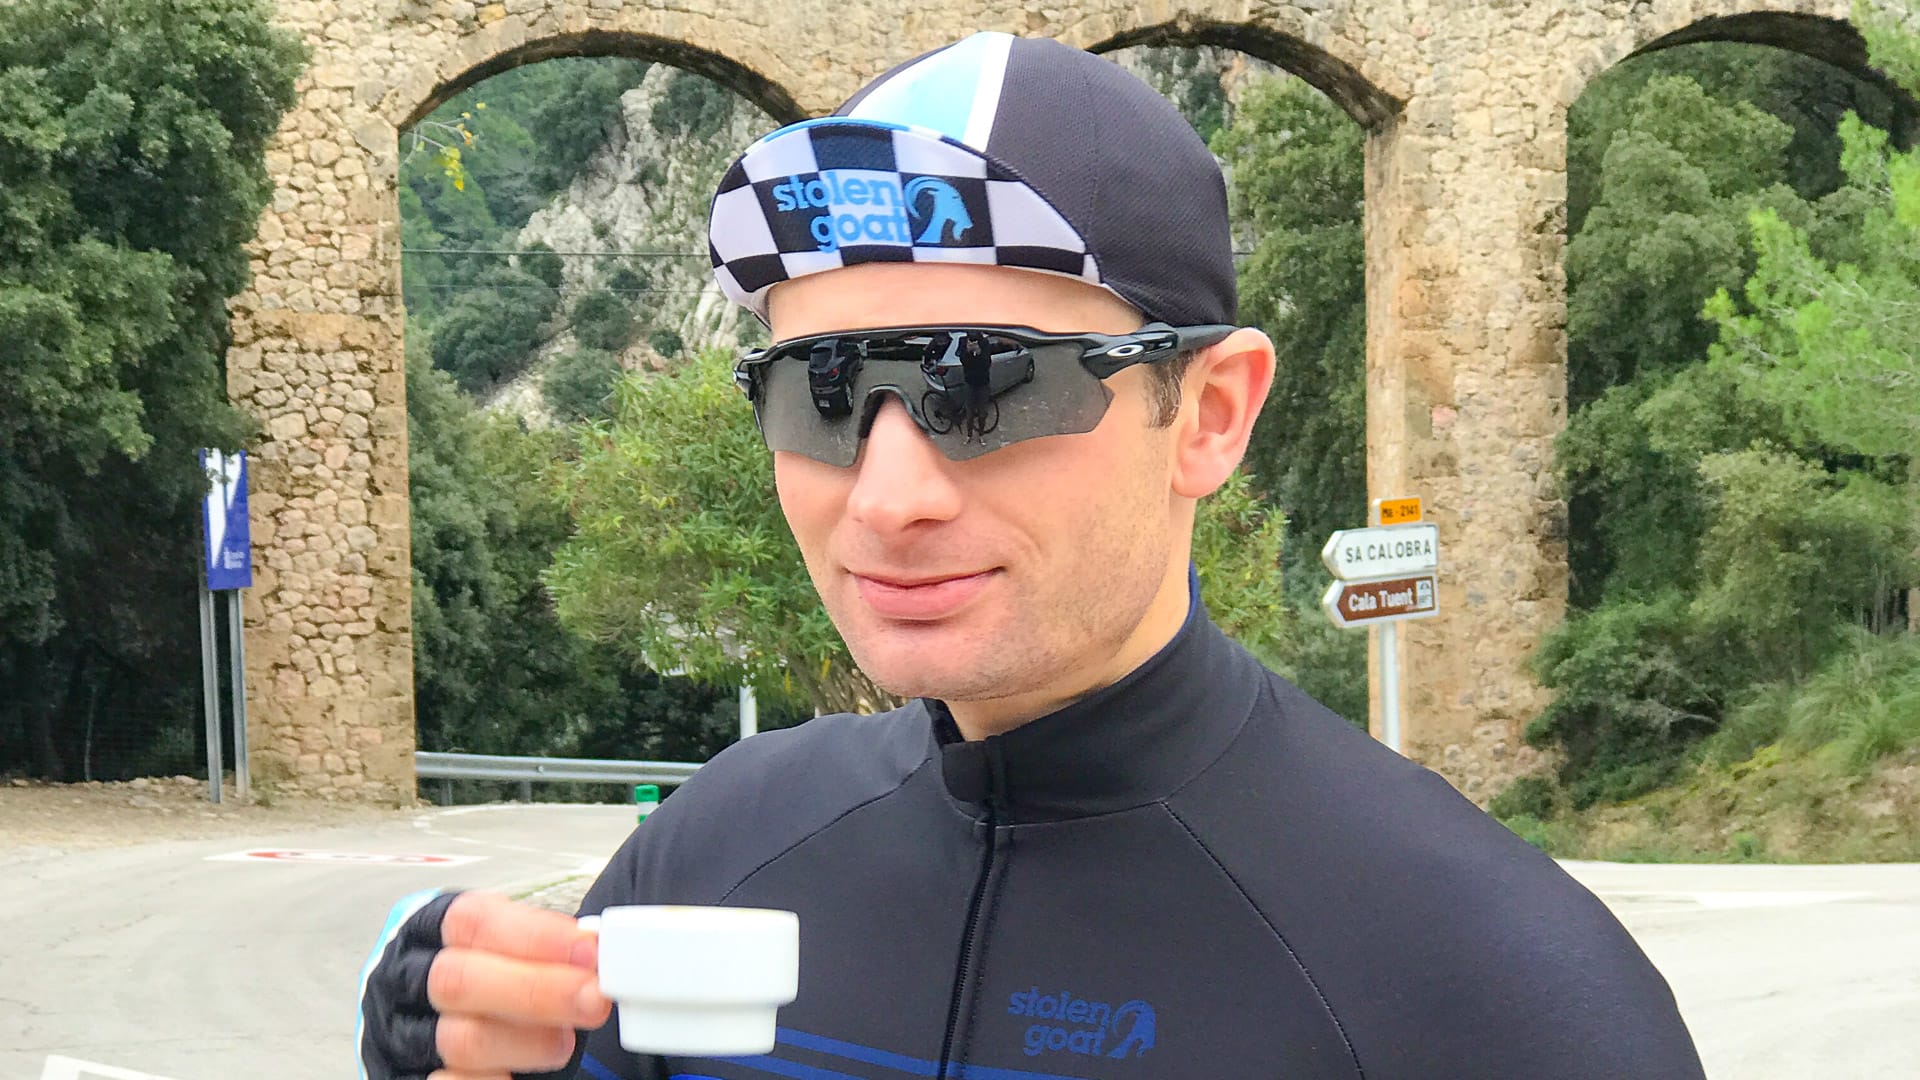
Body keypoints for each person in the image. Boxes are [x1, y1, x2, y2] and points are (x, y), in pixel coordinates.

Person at [357, 31, 1706, 1080]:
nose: (887, 494)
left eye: (988, 380)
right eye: (822, 390)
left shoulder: (1494, 988)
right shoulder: (713, 850)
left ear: (1210, 415)